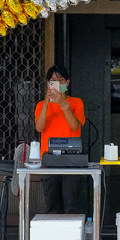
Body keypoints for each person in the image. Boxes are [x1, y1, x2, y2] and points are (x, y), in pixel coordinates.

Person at [35, 65, 86, 214]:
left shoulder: (76, 102)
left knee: (71, 206)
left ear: (67, 82)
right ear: (48, 84)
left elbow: (75, 125)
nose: (57, 84)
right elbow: (39, 127)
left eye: (61, 80)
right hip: (49, 159)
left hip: (71, 159)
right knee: (52, 206)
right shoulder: (40, 105)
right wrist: (46, 103)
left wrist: (63, 104)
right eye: (53, 81)